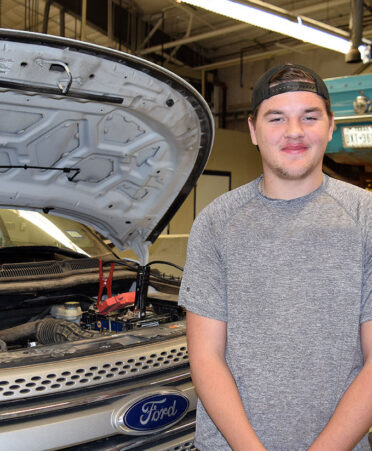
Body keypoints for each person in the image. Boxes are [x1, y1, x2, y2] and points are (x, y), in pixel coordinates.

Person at [178, 63, 372, 451]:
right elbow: (206, 357)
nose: (294, 132)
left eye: (310, 117)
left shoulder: (366, 218)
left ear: (331, 126)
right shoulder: (216, 223)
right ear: (253, 130)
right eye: (277, 118)